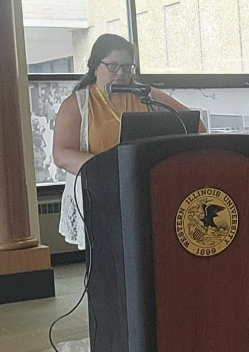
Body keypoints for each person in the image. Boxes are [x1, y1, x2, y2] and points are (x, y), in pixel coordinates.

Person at [53, 33, 191, 249]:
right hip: (99, 192)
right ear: (95, 66)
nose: (121, 73)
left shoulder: (147, 96)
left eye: (127, 67)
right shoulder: (76, 104)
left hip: (144, 189)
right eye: (113, 66)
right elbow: (62, 154)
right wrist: (108, 167)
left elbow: (194, 125)